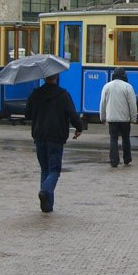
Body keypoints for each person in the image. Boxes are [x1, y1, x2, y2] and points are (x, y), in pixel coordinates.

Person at [24, 74, 83, 213]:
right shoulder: (63, 94)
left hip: (39, 135)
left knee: (45, 169)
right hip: (56, 137)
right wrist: (79, 128)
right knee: (54, 170)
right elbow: (72, 114)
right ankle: (45, 191)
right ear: (56, 77)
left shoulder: (36, 93)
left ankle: (47, 205)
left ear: (44, 78)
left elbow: (27, 114)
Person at [99, 67, 138, 168]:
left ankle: (114, 160)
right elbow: (132, 104)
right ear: (124, 75)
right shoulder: (128, 87)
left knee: (113, 139)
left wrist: (102, 117)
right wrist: (134, 118)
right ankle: (127, 158)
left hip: (112, 118)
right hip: (125, 119)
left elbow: (102, 103)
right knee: (126, 138)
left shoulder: (107, 86)